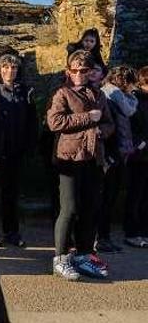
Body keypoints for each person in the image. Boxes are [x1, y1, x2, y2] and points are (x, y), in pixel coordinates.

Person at [46, 50, 115, 281]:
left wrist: (100, 130)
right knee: (70, 209)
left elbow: (108, 123)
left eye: (83, 70)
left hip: (93, 157)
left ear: (90, 72)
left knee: (90, 208)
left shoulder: (99, 95)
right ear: (68, 71)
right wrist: (87, 119)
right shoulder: (62, 93)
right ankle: (61, 257)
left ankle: (84, 254)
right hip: (69, 159)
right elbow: (55, 122)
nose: (78, 74)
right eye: (74, 70)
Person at [0, 54, 36, 247]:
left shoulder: (25, 92)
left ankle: (11, 232)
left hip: (16, 149)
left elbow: (32, 121)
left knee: (11, 193)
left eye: (13, 68)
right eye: (5, 67)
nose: (10, 71)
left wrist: (29, 145)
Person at [96, 66, 138, 252]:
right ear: (124, 81)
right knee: (105, 198)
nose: (134, 87)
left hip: (118, 153)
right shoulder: (110, 98)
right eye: (131, 82)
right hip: (111, 155)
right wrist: (108, 156)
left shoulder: (119, 98)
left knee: (109, 198)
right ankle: (100, 238)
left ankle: (104, 237)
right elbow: (108, 130)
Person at [125, 66, 148, 248]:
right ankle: (132, 232)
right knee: (136, 195)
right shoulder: (135, 100)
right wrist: (140, 143)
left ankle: (144, 231)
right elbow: (130, 126)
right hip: (138, 155)